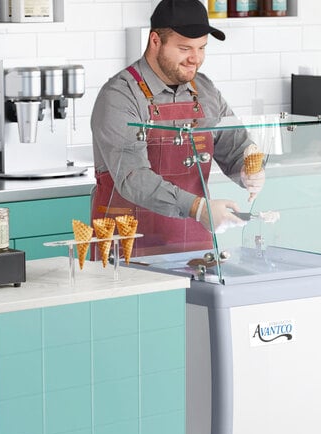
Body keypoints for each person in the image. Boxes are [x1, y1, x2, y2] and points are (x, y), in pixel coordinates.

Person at [90, 0, 264, 255]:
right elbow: (133, 178)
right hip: (127, 246)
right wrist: (198, 209)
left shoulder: (205, 91)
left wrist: (249, 171)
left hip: (195, 247)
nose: (196, 58)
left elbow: (236, 148)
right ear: (155, 41)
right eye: (185, 48)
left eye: (202, 47)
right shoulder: (120, 95)